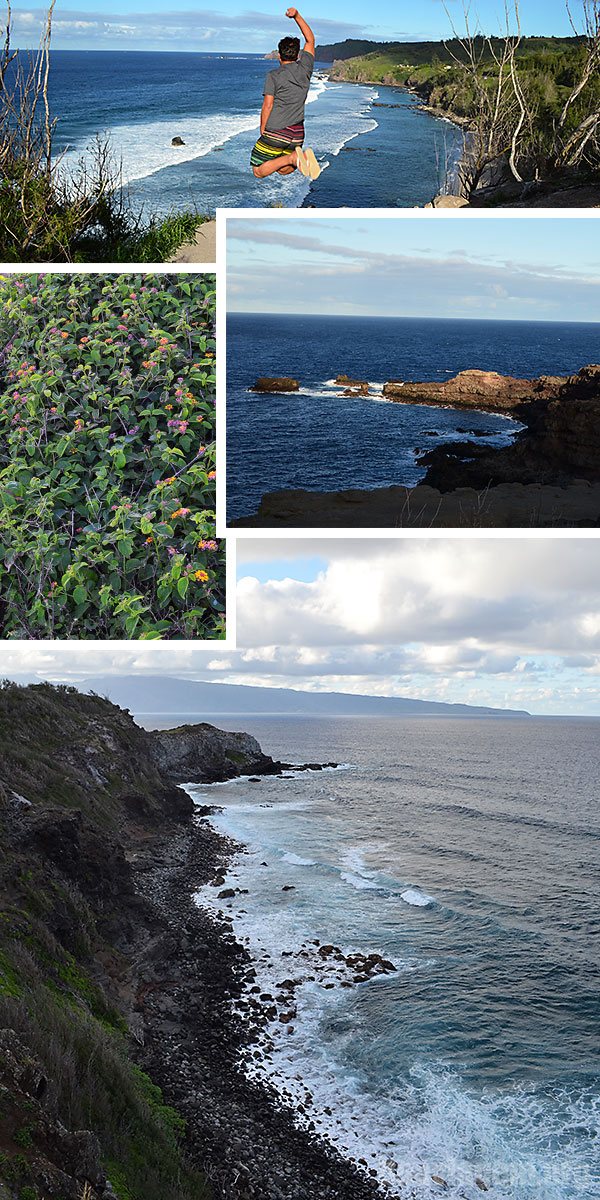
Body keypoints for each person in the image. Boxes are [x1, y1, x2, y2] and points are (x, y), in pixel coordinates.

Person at [250, 8, 321, 181]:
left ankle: (293, 158)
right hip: (297, 132)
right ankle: (295, 159)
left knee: (258, 170)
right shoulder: (305, 68)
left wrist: (263, 128)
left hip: (276, 130)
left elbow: (268, 105)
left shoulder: (273, 75)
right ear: (298, 55)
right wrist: (297, 16)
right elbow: (310, 39)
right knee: (283, 169)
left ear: (279, 55)